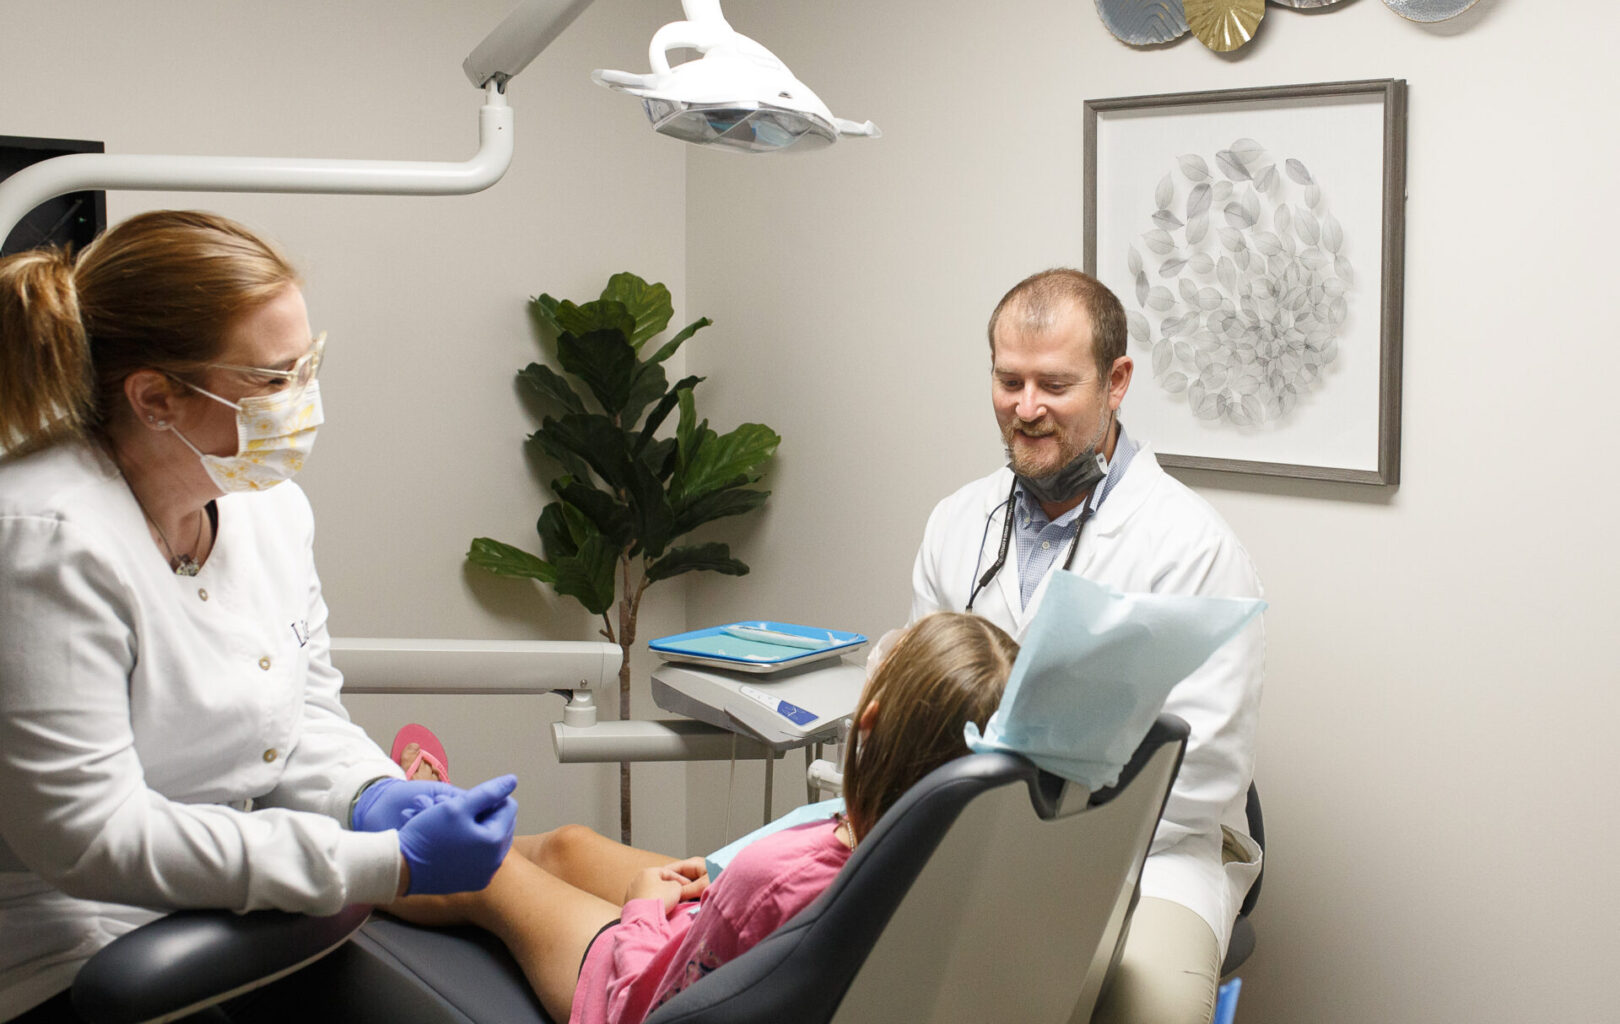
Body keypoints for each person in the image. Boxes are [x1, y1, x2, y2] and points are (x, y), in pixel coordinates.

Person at [0, 211, 518, 1023]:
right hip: (53, 959)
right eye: (273, 380)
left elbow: (298, 713)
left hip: (223, 916)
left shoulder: (265, 509)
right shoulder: (45, 541)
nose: (303, 401)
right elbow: (91, 838)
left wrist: (370, 793)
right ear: (155, 398)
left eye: (307, 365)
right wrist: (380, 861)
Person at [907, 268, 1265, 1024]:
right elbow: (921, 700)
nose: (1025, 408)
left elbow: (1201, 769)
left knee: (1151, 1007)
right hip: (970, 837)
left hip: (1152, 853)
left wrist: (1038, 837)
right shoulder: (956, 524)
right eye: (1010, 381)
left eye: (1054, 385)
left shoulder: (1191, 547)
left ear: (1117, 380)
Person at [383, 610, 1017, 1024]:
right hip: (716, 931)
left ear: (869, 725)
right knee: (570, 844)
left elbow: (655, 1005)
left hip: (630, 989)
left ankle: (372, 839)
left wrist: (639, 907)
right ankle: (438, 808)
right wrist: (726, 895)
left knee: (482, 872)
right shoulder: (956, 870)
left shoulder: (774, 877)